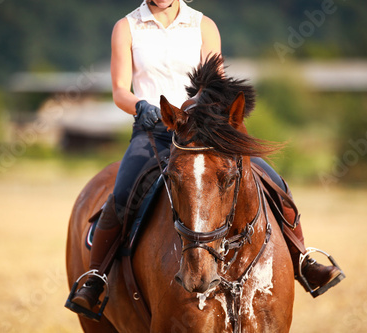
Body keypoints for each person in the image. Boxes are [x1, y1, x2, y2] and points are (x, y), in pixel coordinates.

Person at [67, 0, 343, 317]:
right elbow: (119, 90)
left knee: (274, 183)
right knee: (122, 195)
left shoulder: (203, 25)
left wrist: (211, 115)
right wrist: (144, 108)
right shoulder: (126, 27)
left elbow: (216, 85)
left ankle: (303, 260)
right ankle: (97, 277)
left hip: (201, 131)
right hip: (154, 131)